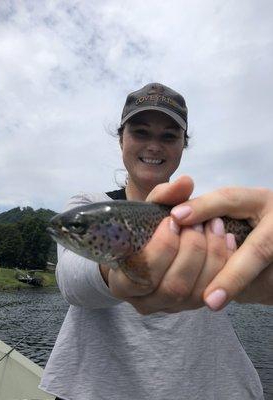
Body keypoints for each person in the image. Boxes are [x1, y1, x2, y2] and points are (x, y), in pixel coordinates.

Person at [40, 83, 269, 400]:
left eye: (168, 136)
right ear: (121, 138)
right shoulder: (87, 204)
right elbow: (71, 280)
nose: (154, 146)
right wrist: (119, 270)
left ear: (182, 146)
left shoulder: (207, 218)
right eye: (141, 132)